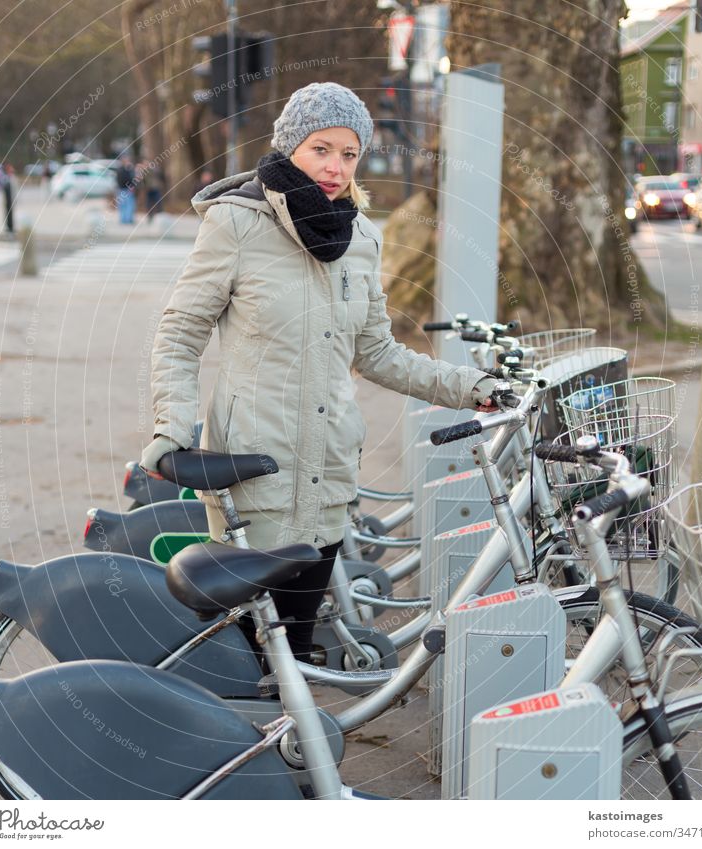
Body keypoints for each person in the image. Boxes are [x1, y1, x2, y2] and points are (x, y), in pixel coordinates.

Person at [139, 82, 498, 662]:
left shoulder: (360, 238)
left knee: (297, 649)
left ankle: (292, 746)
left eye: (349, 153)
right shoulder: (237, 224)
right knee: (253, 652)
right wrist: (172, 430)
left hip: (328, 473)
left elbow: (377, 352)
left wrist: (472, 388)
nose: (335, 168)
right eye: (320, 149)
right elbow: (180, 334)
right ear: (289, 149)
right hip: (258, 473)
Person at [115, 156, 137, 224]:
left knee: (122, 205)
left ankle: (123, 219)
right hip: (126, 190)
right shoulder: (127, 170)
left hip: (120, 189)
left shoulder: (119, 170)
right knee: (129, 205)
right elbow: (130, 179)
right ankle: (128, 219)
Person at [0, 163, 16, 235]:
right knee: (8, 213)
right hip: (8, 200)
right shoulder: (5, 177)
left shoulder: (11, 177)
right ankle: (9, 227)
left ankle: (11, 227)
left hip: (11, 199)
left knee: (11, 214)